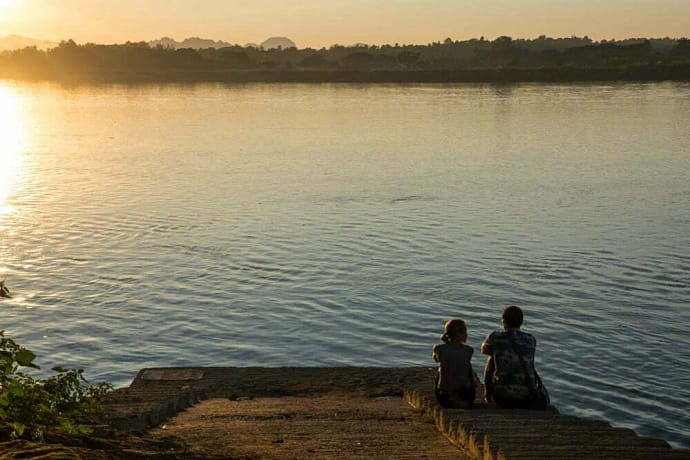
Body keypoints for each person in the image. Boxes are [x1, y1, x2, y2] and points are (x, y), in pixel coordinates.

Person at [481, 305, 547, 409]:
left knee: (491, 358)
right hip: (527, 396)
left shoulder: (495, 337)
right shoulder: (531, 339)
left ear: (503, 321)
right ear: (521, 322)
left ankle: (487, 394)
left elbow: (484, 350)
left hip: (502, 396)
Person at [433, 319, 477, 408]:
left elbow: (436, 360)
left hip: (443, 396)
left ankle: (451, 395)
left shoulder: (438, 349)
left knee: (441, 369)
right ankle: (458, 398)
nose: (466, 335)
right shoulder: (469, 350)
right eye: (465, 332)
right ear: (458, 334)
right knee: (467, 370)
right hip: (466, 395)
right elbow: (467, 369)